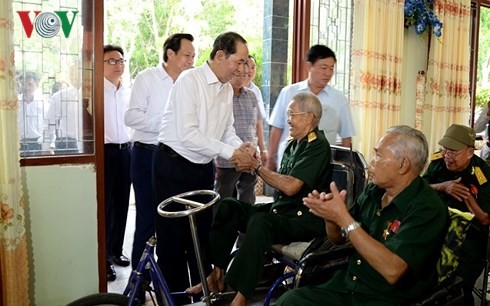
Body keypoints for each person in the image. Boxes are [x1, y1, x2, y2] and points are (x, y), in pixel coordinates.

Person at [187, 92, 333, 306]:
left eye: (293, 114)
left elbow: (292, 187)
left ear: (310, 117)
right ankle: (216, 277)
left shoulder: (318, 145)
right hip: (282, 212)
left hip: (303, 220)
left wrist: (256, 167)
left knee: (260, 222)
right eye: (288, 114)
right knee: (229, 206)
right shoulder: (294, 144)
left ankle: (241, 296)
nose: (288, 120)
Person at [277, 125, 448, 306]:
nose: (371, 162)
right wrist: (331, 218)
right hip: (349, 285)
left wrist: (343, 218)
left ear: (403, 165)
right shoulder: (375, 191)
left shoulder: (427, 207)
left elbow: (393, 271)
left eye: (379, 155)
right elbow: (338, 240)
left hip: (388, 298)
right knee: (290, 300)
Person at [152, 31, 253, 305]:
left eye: (245, 63)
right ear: (220, 56)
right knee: (172, 243)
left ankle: (203, 298)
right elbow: (188, 135)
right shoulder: (190, 81)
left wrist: (242, 147)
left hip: (201, 170)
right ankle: (173, 300)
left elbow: (227, 131)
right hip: (173, 167)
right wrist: (232, 153)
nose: (242, 68)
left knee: (200, 242)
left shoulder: (225, 89)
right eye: (239, 61)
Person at [124, 33, 195, 274]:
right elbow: (131, 117)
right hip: (146, 155)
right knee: (147, 220)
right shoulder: (147, 78)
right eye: (187, 55)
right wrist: (167, 122)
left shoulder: (190, 82)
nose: (191, 60)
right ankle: (139, 279)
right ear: (170, 54)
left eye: (193, 56)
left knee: (174, 221)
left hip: (179, 160)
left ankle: (169, 282)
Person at [422, 124, 490, 305]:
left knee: (456, 289)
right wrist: (443, 186)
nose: (447, 155)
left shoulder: (481, 174)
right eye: (445, 149)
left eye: (453, 152)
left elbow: (485, 218)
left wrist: (468, 197)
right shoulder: (437, 164)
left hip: (469, 240)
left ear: (469, 152)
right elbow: (418, 190)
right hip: (436, 233)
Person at [267, 45, 355, 171]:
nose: (328, 73)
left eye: (331, 68)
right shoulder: (289, 92)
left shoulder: (339, 99)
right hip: (289, 162)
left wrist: (348, 167)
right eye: (323, 68)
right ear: (309, 66)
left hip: (321, 166)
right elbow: (277, 128)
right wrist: (270, 158)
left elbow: (346, 136)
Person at [214, 62, 267, 207]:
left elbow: (258, 124)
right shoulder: (221, 95)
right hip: (227, 157)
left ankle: (245, 228)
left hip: (250, 155)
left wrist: (262, 149)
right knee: (223, 198)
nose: (241, 78)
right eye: (237, 75)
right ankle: (223, 228)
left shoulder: (251, 95)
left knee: (248, 197)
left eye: (244, 75)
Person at [103, 44, 132, 281]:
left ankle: (116, 251)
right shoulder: (94, 91)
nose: (118, 65)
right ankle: (103, 259)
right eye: (112, 61)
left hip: (127, 151)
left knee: (122, 203)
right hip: (105, 153)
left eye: (121, 60)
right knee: (107, 205)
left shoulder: (127, 91)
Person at [18, 71, 47, 156]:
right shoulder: (14, 102)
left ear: (36, 85)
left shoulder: (43, 102)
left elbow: (49, 124)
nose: (26, 87)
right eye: (23, 84)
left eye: (29, 84)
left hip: (37, 143)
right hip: (18, 143)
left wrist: (48, 145)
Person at [246, 55, 268, 121]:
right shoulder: (233, 88)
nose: (250, 71)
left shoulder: (256, 90)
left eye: (253, 67)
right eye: (247, 67)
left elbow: (260, 116)